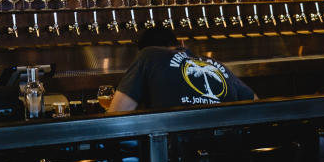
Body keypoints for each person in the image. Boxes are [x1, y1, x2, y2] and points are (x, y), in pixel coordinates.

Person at [106, 26, 257, 113]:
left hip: (178, 156)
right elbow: (257, 104)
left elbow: (117, 116)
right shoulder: (214, 64)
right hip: (229, 154)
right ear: (182, 44)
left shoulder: (147, 56)